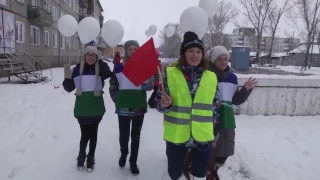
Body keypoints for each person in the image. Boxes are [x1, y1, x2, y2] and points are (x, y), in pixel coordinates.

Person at [155, 31, 219, 180]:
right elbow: (158, 103)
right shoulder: (170, 74)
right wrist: (165, 104)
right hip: (177, 136)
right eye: (190, 50)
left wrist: (215, 133)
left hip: (202, 135)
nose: (195, 55)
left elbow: (215, 106)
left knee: (199, 174)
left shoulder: (211, 77)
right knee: (175, 174)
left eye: (198, 51)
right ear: (184, 53)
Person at [206, 45, 257, 178]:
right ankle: (209, 170)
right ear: (213, 61)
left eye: (226, 58)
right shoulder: (207, 76)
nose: (223, 62)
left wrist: (245, 89)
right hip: (210, 118)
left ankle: (216, 166)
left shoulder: (233, 77)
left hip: (227, 118)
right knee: (210, 147)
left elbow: (235, 100)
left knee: (227, 148)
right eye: (219, 59)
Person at [62, 46, 112, 172]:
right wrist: (67, 79)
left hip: (96, 107)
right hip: (82, 108)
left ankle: (90, 157)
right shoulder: (78, 69)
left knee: (93, 134)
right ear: (84, 56)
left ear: (97, 57)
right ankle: (81, 155)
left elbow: (108, 73)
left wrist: (99, 61)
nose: (90, 57)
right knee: (85, 134)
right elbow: (69, 88)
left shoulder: (100, 69)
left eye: (93, 55)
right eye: (88, 55)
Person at [109, 40, 154, 175]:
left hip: (138, 107)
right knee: (124, 136)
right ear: (126, 51)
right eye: (130, 49)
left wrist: (144, 75)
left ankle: (133, 161)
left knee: (136, 136)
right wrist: (117, 99)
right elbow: (113, 86)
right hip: (123, 108)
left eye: (135, 49)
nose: (133, 51)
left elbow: (149, 87)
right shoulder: (118, 69)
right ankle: (124, 154)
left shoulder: (143, 67)